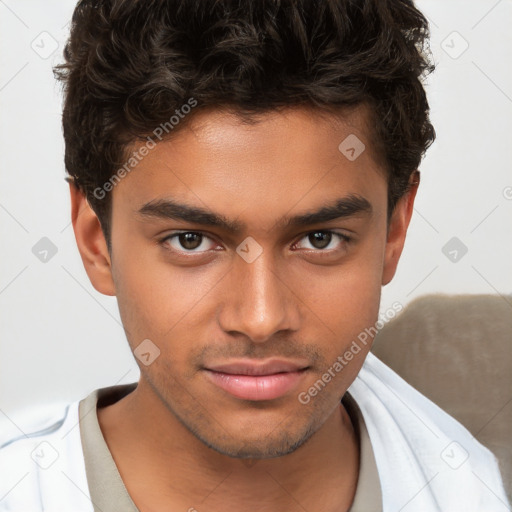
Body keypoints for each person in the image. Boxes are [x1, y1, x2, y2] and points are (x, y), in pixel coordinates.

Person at [0, 0, 509, 511]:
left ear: (393, 233)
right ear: (96, 241)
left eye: (320, 239)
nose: (261, 319)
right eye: (191, 240)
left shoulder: (475, 492)